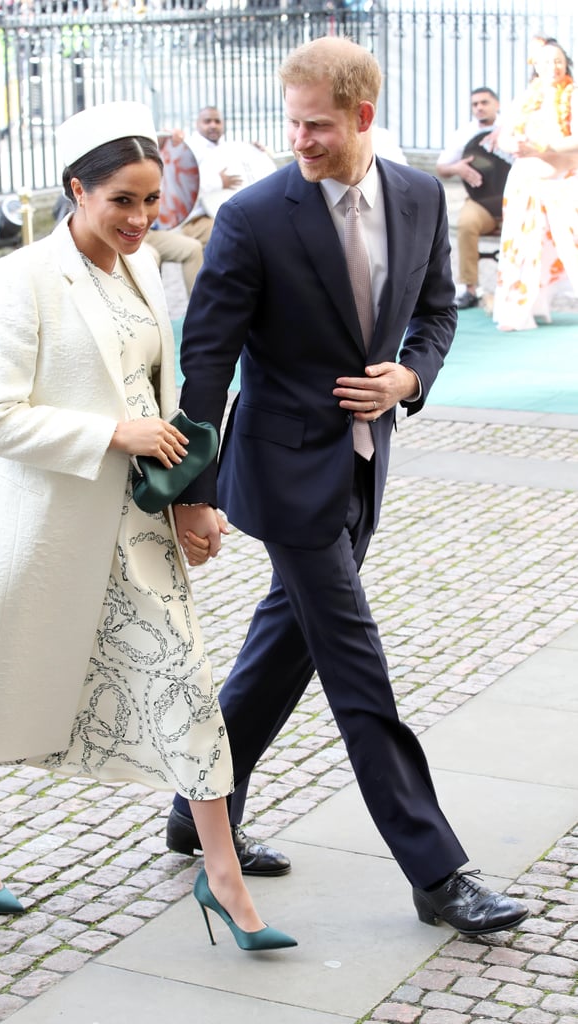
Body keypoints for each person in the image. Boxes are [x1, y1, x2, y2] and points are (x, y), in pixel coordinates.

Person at [0, 100, 296, 953]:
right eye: (123, 202)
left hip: (135, 523)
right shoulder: (22, 278)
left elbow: (162, 394)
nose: (143, 220)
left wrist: (194, 496)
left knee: (183, 686)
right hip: (37, 526)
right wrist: (110, 433)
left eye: (152, 202)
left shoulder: (141, 269)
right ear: (77, 190)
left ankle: (220, 878)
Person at [164, 36, 529, 938]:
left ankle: (194, 809)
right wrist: (190, 490)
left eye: (316, 124)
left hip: (364, 465)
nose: (300, 139)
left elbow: (437, 314)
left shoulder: (413, 195)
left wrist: (407, 379)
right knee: (356, 667)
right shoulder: (252, 216)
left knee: (281, 647)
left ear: (363, 117)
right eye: (291, 122)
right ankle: (436, 872)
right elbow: (206, 358)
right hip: (283, 474)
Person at [493, 36, 578, 332]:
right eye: (545, 61)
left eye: (558, 60)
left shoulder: (574, 95)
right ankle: (523, 309)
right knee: (524, 244)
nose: (552, 67)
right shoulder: (526, 98)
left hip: (565, 182)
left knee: (572, 242)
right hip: (526, 182)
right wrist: (514, 144)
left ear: (566, 63)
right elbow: (503, 136)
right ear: (535, 66)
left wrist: (542, 148)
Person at [436, 87, 504, 309]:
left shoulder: (512, 127)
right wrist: (458, 168)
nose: (480, 108)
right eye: (475, 104)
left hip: (516, 202)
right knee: (466, 223)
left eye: (485, 102)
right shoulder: (464, 134)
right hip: (481, 201)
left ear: (497, 105)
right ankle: (470, 288)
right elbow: (441, 167)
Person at [180, 106, 244, 246]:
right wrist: (219, 182)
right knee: (230, 234)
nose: (213, 125)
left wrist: (260, 152)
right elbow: (184, 186)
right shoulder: (189, 150)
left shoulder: (227, 148)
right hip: (196, 219)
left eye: (217, 121)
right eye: (207, 121)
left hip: (222, 214)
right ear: (197, 124)